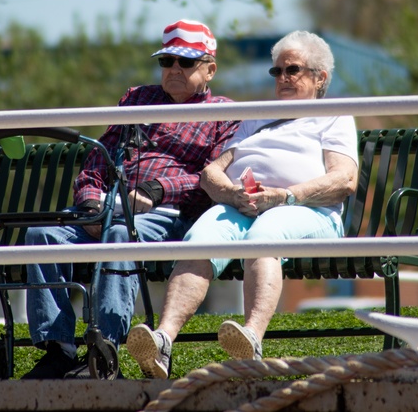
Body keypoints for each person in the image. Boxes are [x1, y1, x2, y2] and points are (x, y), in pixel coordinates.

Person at [126, 30, 359, 378]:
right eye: (276, 71)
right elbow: (210, 173)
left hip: (308, 210)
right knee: (200, 239)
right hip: (245, 206)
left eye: (291, 70)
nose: (282, 78)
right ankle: (163, 341)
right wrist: (233, 195)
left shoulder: (333, 115)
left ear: (319, 77)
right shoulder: (256, 117)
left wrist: (285, 196)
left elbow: (343, 180)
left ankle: (251, 338)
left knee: (266, 233)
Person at [22, 19, 238, 379]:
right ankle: (57, 351)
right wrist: (90, 202)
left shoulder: (223, 113)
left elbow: (213, 179)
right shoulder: (137, 99)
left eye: (185, 63)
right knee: (40, 236)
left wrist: (157, 191)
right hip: (109, 207)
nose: (173, 69)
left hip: (168, 214)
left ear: (210, 69)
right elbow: (96, 161)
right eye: (166, 61)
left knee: (121, 236)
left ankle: (105, 351)